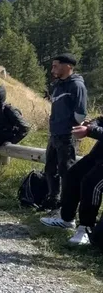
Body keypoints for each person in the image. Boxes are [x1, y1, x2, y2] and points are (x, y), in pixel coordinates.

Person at [41, 116, 103, 245]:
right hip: (99, 154)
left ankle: (86, 227)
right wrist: (91, 125)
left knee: (91, 184)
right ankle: (67, 219)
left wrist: (90, 130)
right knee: (73, 174)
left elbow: (93, 128)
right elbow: (101, 120)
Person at [41, 53, 87, 211]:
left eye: (56, 65)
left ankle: (66, 208)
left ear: (67, 66)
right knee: (50, 169)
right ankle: (53, 200)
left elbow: (81, 113)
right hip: (54, 134)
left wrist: (70, 126)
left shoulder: (77, 85)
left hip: (67, 136)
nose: (52, 69)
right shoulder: (58, 85)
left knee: (66, 172)